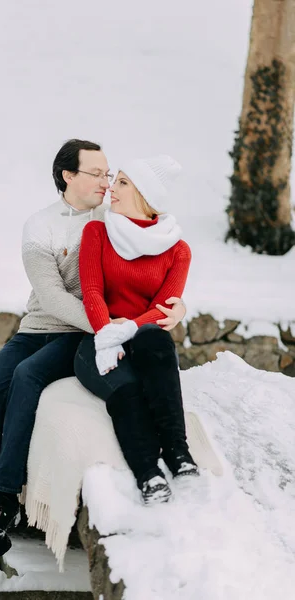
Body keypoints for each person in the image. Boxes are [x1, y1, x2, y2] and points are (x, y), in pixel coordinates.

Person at [0, 141, 184, 580]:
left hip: (80, 334)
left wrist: (170, 309)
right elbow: (53, 297)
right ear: (67, 176)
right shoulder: (40, 226)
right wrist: (108, 325)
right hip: (38, 328)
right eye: (95, 173)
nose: (106, 181)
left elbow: (159, 257)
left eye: (109, 172)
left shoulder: (113, 218)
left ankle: (2, 500)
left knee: (27, 377)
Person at [74, 154, 199, 506]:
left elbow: (161, 313)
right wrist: (107, 333)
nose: (112, 187)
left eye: (123, 183)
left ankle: (178, 454)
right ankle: (149, 474)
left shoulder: (178, 251)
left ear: (145, 194)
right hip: (96, 343)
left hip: (142, 339)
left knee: (155, 339)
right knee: (127, 388)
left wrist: (125, 328)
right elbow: (92, 292)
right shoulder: (97, 232)